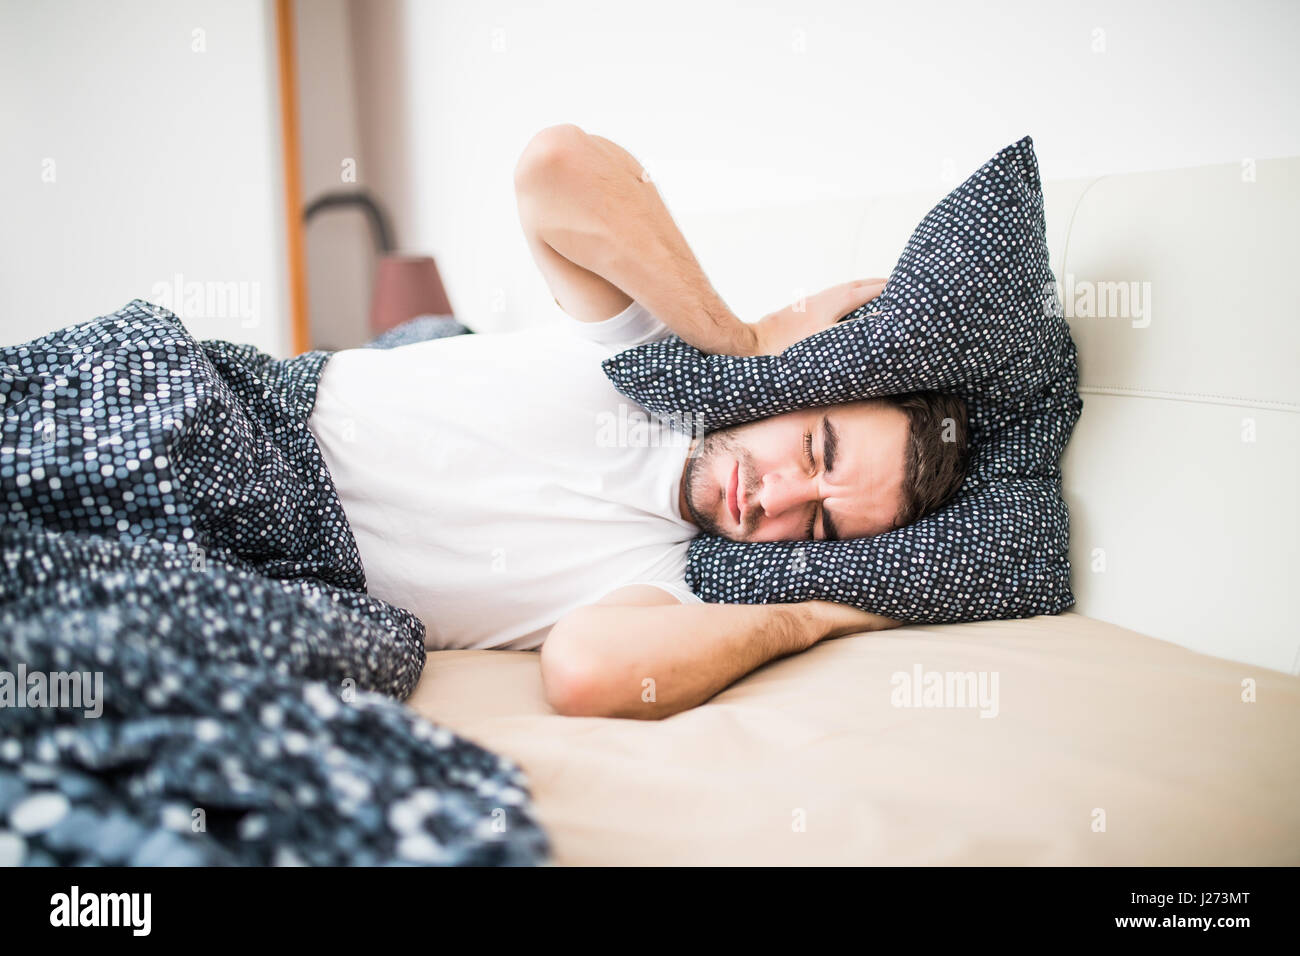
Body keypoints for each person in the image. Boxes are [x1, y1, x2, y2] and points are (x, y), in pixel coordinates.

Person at [307, 124, 970, 719]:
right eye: (812, 451)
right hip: (261, 412)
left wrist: (808, 620)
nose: (778, 498)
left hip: (287, 569)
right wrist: (745, 339)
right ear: (800, 386)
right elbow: (554, 165)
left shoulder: (668, 584)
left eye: (821, 524)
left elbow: (581, 674)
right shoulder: (642, 357)